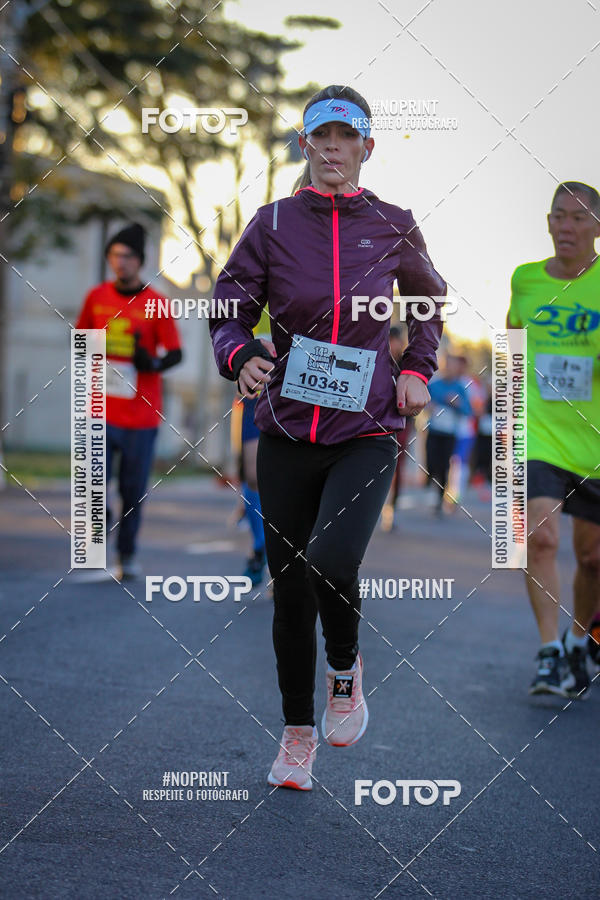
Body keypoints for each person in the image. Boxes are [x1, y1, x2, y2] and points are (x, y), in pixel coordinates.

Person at [209, 85, 446, 790]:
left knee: (332, 559)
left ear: (367, 148)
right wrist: (239, 354)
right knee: (289, 590)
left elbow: (430, 302)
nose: (334, 147)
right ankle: (296, 738)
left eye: (348, 137)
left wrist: (417, 368)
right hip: (286, 428)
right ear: (306, 145)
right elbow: (229, 306)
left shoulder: (395, 224)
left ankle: (346, 668)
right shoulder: (273, 223)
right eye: (322, 136)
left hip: (367, 428)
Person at [507, 181, 600, 698]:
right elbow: (513, 341)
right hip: (539, 435)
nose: (567, 227)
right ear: (548, 222)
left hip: (595, 442)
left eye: (579, 218)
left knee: (593, 558)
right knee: (539, 536)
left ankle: (580, 640)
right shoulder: (525, 280)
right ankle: (548, 653)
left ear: (597, 229)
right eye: (558, 216)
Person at [76, 222, 182, 579]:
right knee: (93, 482)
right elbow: (81, 343)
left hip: (142, 415)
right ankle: (100, 522)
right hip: (100, 409)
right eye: (115, 256)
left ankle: (127, 554)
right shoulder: (96, 297)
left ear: (140, 261)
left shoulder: (156, 303)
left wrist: (150, 362)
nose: (121, 263)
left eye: (128, 257)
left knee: (132, 490)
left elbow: (176, 354)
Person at [425, 354, 472, 515]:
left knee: (444, 465)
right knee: (431, 461)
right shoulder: (434, 384)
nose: (448, 369)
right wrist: (428, 406)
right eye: (446, 365)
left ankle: (439, 499)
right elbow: (422, 402)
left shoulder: (460, 387)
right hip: (433, 430)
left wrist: (457, 404)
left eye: (451, 366)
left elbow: (468, 411)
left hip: (450, 433)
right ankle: (430, 483)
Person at [381, 325, 413, 531]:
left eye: (397, 341)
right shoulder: (377, 359)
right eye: (390, 340)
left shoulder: (407, 364)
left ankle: (391, 510)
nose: (394, 345)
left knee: (396, 468)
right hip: (373, 422)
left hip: (400, 424)